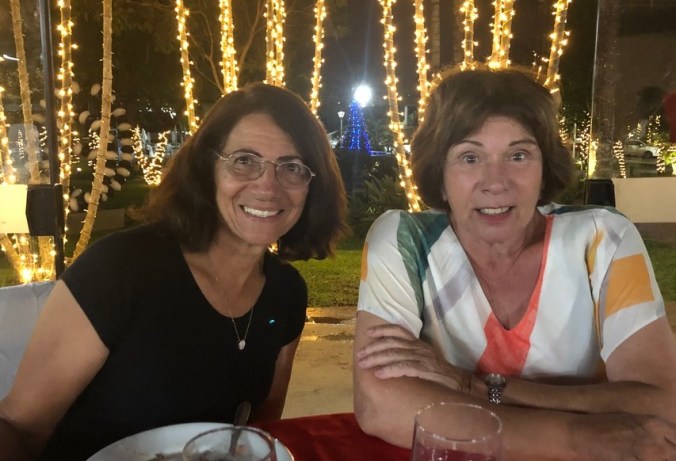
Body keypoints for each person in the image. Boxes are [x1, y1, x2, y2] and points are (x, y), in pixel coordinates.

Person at [0, 82, 348, 461]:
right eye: (245, 160)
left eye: (292, 167)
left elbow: (256, 432)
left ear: (312, 187)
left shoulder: (286, 292)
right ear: (206, 168)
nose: (267, 187)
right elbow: (19, 426)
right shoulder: (119, 269)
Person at [353, 66, 676, 460]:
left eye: (518, 155)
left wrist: (471, 385)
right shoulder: (405, 240)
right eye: (470, 157)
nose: (496, 182)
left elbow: (662, 402)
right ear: (440, 178)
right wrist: (581, 437)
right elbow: (381, 404)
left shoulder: (601, 238)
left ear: (544, 170)